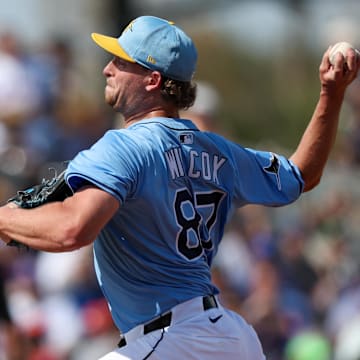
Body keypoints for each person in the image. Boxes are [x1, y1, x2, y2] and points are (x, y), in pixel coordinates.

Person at [0, 15, 358, 360]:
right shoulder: (220, 152)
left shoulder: (124, 147)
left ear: (152, 80)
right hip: (228, 335)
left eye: (120, 61)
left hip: (170, 340)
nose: (107, 68)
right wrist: (331, 92)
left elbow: (71, 229)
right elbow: (301, 175)